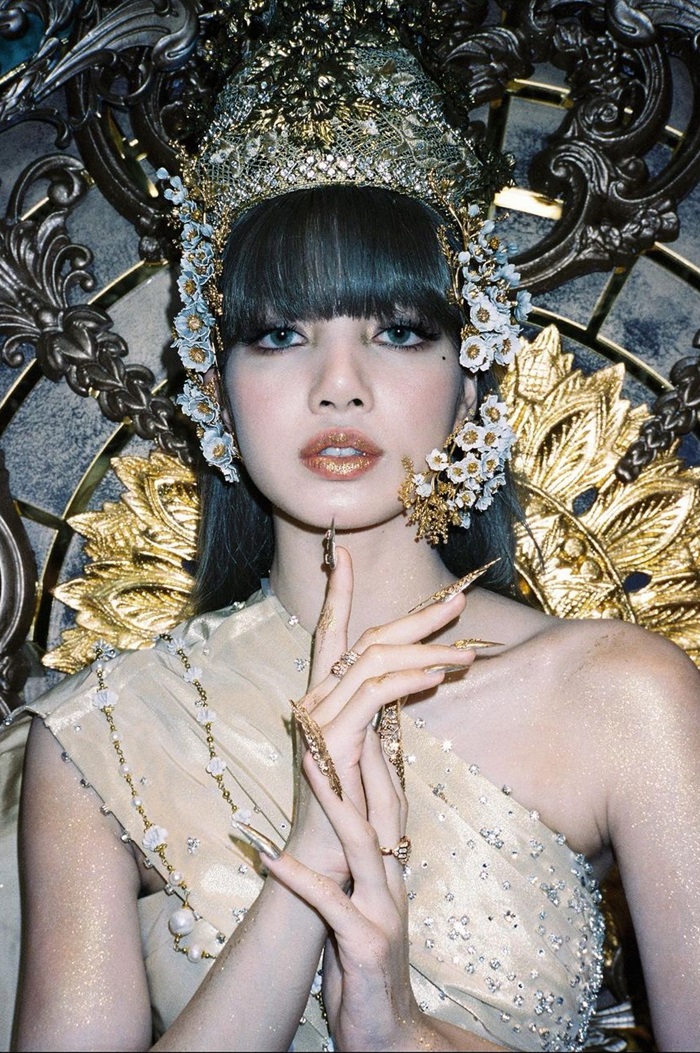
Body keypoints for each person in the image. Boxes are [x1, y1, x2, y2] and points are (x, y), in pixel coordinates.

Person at [4, 4, 700, 1051]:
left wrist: (402, 1030)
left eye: (400, 332)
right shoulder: (103, 736)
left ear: (470, 381)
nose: (340, 385)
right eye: (280, 334)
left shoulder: (623, 699)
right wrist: (309, 865)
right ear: (214, 386)